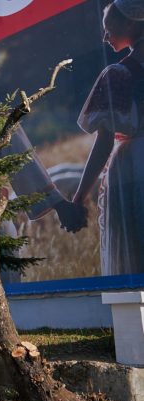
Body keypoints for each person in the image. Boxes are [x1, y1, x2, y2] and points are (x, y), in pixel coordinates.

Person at [72, 0, 144, 275]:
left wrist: (80, 196)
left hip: (134, 165)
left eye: (108, 28)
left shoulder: (118, 74)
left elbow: (104, 141)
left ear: (129, 23)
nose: (105, 36)